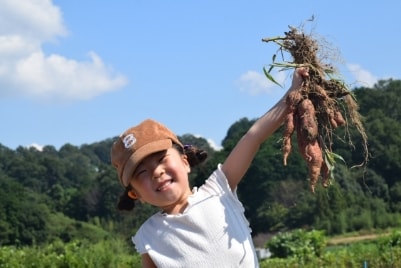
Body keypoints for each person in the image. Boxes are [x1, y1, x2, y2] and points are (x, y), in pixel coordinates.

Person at [110, 68, 308, 267]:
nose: (156, 172)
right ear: (136, 194)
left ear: (185, 161)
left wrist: (293, 93)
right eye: (142, 172)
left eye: (161, 159)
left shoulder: (218, 190)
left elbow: (253, 137)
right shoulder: (149, 236)